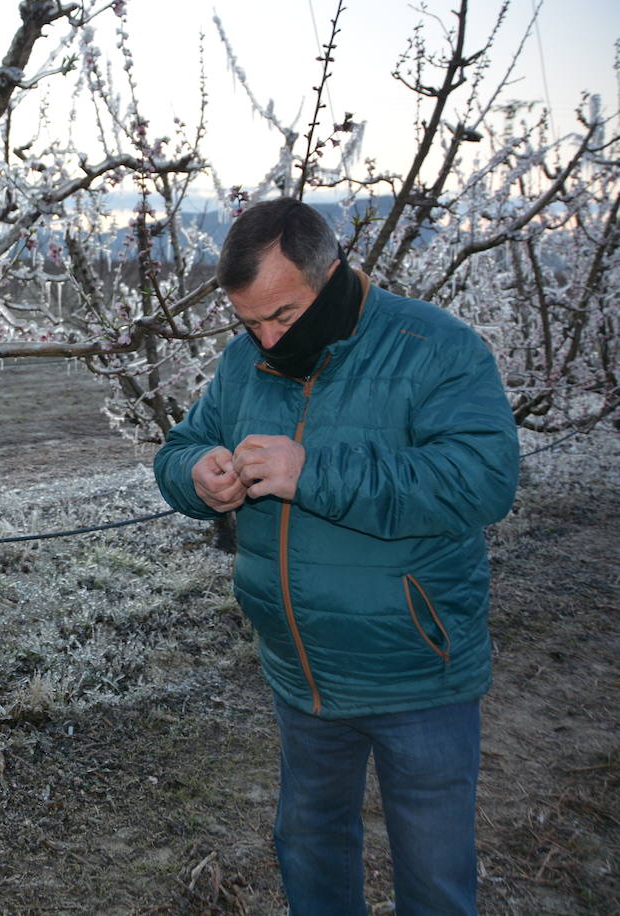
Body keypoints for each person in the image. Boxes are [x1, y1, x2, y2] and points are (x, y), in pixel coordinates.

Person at [153, 198, 518, 915]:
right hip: (301, 669)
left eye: (282, 316)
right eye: (248, 322)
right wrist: (198, 477)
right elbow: (177, 450)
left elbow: (482, 480)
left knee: (434, 876)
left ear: (333, 273)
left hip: (418, 670)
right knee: (311, 849)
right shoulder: (243, 363)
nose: (265, 339)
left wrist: (311, 472)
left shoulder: (437, 347)